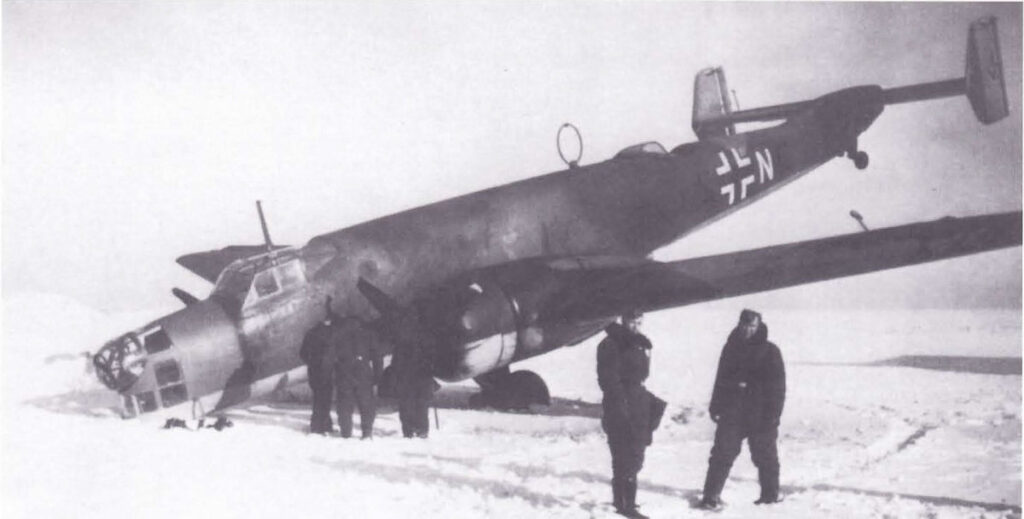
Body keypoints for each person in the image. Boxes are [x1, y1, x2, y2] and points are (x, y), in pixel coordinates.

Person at [698, 309, 786, 510]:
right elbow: (720, 379)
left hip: (760, 413)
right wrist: (715, 405)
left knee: (765, 456)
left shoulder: (771, 351)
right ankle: (711, 496)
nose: (747, 330)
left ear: (759, 327)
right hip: (732, 412)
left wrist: (773, 416)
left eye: (752, 326)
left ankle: (770, 495)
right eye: (744, 325)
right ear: (739, 324)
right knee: (722, 453)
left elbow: (778, 388)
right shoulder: (730, 348)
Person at [597, 310, 665, 519]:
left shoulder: (639, 343)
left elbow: (641, 374)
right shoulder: (611, 344)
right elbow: (609, 380)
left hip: (638, 401)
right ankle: (625, 505)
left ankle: (626, 502)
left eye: (638, 321)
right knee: (623, 453)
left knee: (636, 452)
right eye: (630, 321)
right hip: (621, 402)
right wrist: (620, 407)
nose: (634, 325)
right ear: (622, 320)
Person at [326, 317, 383, 439]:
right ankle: (367, 432)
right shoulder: (368, 335)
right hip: (364, 374)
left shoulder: (338, 335)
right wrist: (378, 376)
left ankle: (346, 433)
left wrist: (330, 374)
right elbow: (377, 356)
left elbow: (329, 357)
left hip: (344, 374)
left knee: (344, 405)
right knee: (366, 405)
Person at [390, 309, 437, 438]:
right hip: (423, 376)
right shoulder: (428, 337)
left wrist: (396, 373)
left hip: (407, 376)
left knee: (406, 404)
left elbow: (397, 360)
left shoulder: (402, 337)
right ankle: (422, 430)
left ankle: (408, 430)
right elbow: (433, 357)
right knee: (422, 404)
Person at [299, 303, 338, 435]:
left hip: (314, 372)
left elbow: (302, 353)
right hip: (327, 372)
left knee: (318, 399)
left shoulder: (310, 333)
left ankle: (317, 425)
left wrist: (312, 363)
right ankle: (324, 425)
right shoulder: (331, 334)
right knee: (326, 399)